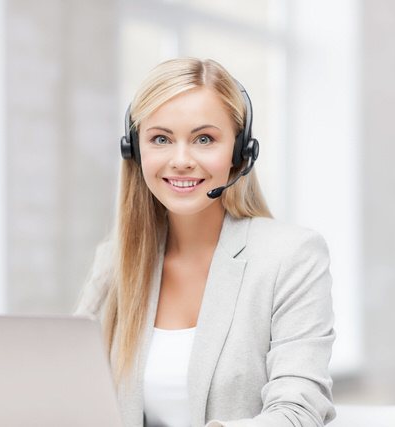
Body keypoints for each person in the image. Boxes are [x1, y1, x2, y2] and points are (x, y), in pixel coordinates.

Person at [75, 57, 335, 427]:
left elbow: (299, 412)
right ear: (134, 150)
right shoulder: (115, 261)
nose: (181, 160)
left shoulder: (291, 257)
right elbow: (71, 392)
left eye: (204, 139)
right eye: (161, 139)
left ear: (240, 152)